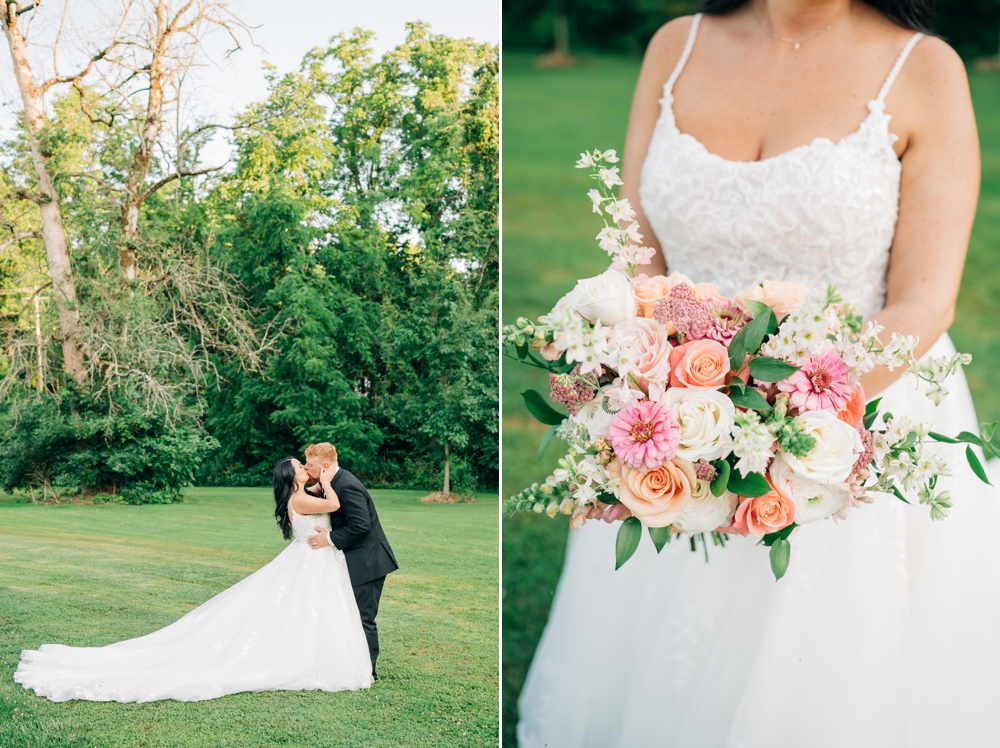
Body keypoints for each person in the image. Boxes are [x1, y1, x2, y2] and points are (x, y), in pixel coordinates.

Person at [517, 2, 1000, 746]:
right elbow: (639, 252)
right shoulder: (674, 47)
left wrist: (771, 419)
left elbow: (923, 300)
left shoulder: (924, 67)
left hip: (848, 425)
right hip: (673, 417)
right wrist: (655, 383)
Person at [13, 458, 373, 702]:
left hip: (316, 561)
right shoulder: (302, 497)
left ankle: (316, 655)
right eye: (300, 465)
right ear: (293, 476)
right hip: (311, 561)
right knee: (305, 609)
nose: (303, 466)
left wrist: (320, 485)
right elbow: (334, 507)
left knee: (311, 611)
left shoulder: (298, 495)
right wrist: (327, 481)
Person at [302, 442, 398, 681]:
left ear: (324, 466)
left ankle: (368, 672)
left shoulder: (346, 485)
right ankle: (351, 664)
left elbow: (361, 525)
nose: (306, 467)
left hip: (368, 562)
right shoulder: (333, 482)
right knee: (349, 614)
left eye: (310, 464)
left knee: (363, 617)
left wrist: (329, 538)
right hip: (355, 559)